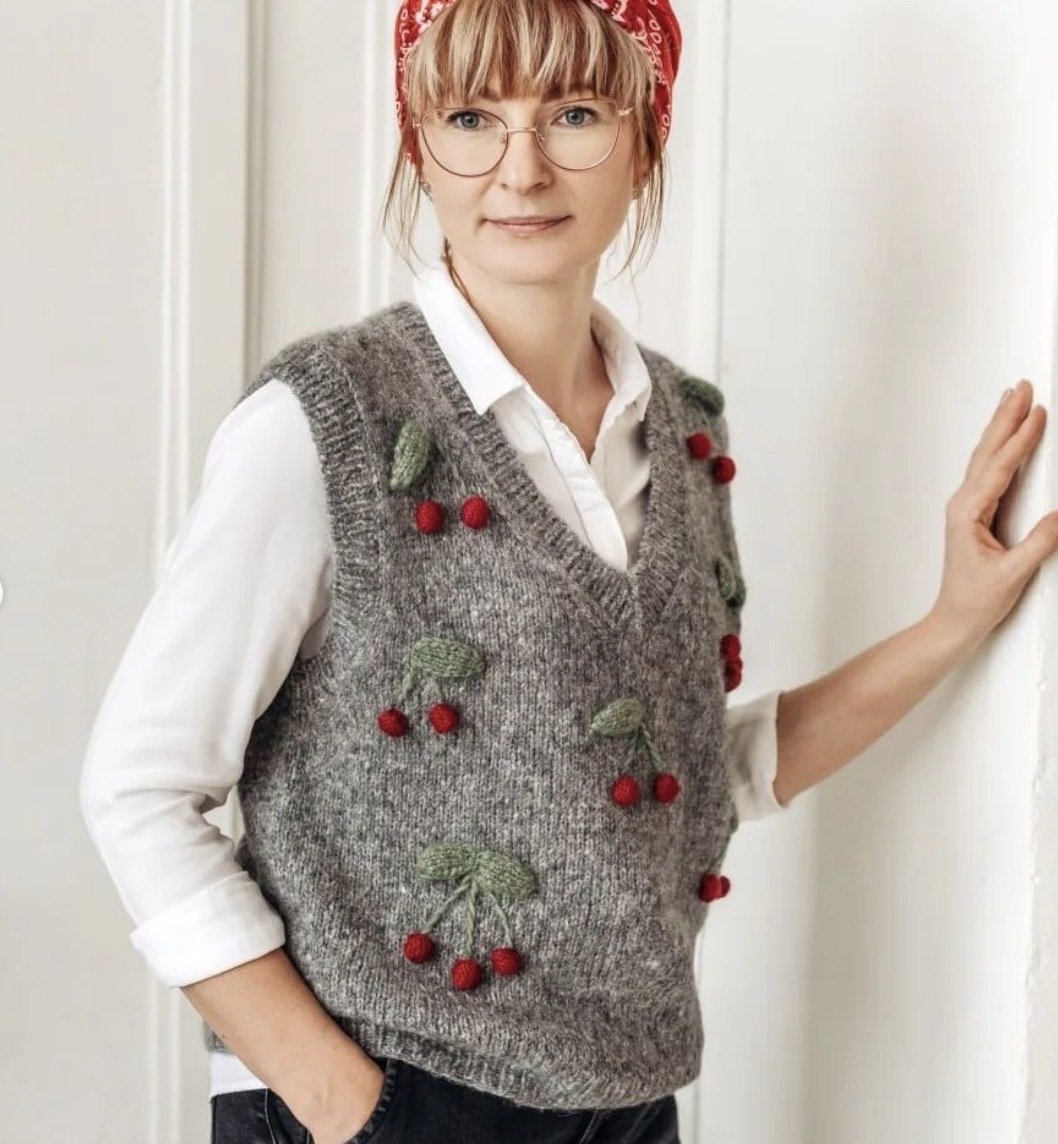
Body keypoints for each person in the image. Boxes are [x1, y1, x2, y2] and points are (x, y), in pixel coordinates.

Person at [78, 1, 1058, 1142]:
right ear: (418, 145)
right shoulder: (326, 423)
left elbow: (697, 771)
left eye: (576, 113)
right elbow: (138, 788)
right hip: (384, 1092)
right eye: (471, 117)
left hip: (625, 1102)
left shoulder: (682, 431)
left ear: (646, 142)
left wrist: (949, 624)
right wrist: (341, 1102)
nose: (522, 168)